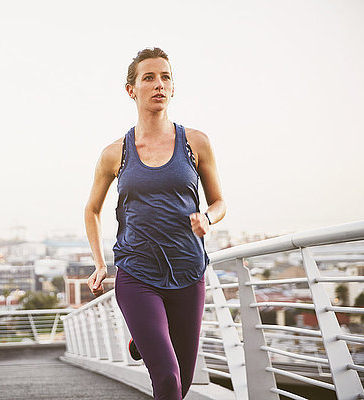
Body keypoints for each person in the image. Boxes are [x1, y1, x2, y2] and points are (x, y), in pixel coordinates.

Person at [84, 47, 226, 400]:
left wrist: (207, 218)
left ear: (173, 88)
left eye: (166, 77)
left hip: (188, 272)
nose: (159, 84)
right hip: (137, 273)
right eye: (149, 77)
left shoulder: (196, 142)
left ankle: (143, 339)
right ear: (132, 90)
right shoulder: (114, 153)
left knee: (184, 381)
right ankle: (148, 336)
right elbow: (92, 210)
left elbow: (220, 202)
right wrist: (101, 264)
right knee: (166, 379)